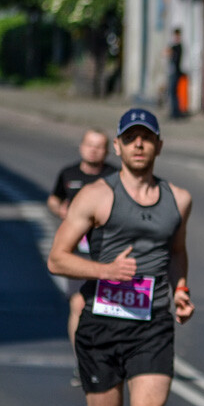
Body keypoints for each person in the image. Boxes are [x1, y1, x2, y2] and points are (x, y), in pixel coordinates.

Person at [47, 108, 194, 406]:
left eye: (146, 138)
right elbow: (57, 259)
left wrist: (182, 290)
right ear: (117, 147)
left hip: (152, 323)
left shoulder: (179, 199)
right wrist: (105, 270)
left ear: (158, 146)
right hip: (102, 324)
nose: (138, 145)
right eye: (129, 138)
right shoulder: (95, 196)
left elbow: (177, 253)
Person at [47, 129, 118, 371]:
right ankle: (83, 362)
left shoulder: (114, 177)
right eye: (89, 145)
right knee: (78, 305)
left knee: (108, 307)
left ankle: (107, 357)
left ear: (108, 150)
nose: (93, 150)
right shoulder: (69, 174)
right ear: (81, 147)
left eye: (99, 146)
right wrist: (61, 210)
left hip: (106, 253)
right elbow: (53, 199)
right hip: (77, 252)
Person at [166, 28, 184, 119]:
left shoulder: (178, 47)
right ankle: (174, 111)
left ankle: (175, 112)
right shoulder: (175, 46)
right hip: (174, 72)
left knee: (173, 92)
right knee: (172, 92)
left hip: (176, 73)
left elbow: (168, 52)